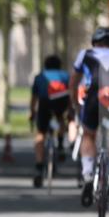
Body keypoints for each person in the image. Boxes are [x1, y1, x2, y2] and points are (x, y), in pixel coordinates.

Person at [69, 27, 109, 204]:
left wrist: (74, 101)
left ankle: (88, 174)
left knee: (88, 134)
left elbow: (74, 80)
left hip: (92, 99)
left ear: (95, 42)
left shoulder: (86, 54)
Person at [29, 55, 71, 187]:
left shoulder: (39, 76)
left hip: (45, 103)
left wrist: (32, 112)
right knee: (60, 118)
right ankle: (60, 144)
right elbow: (70, 95)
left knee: (41, 133)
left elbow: (34, 98)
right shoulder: (66, 75)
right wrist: (70, 111)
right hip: (61, 101)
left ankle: (39, 167)